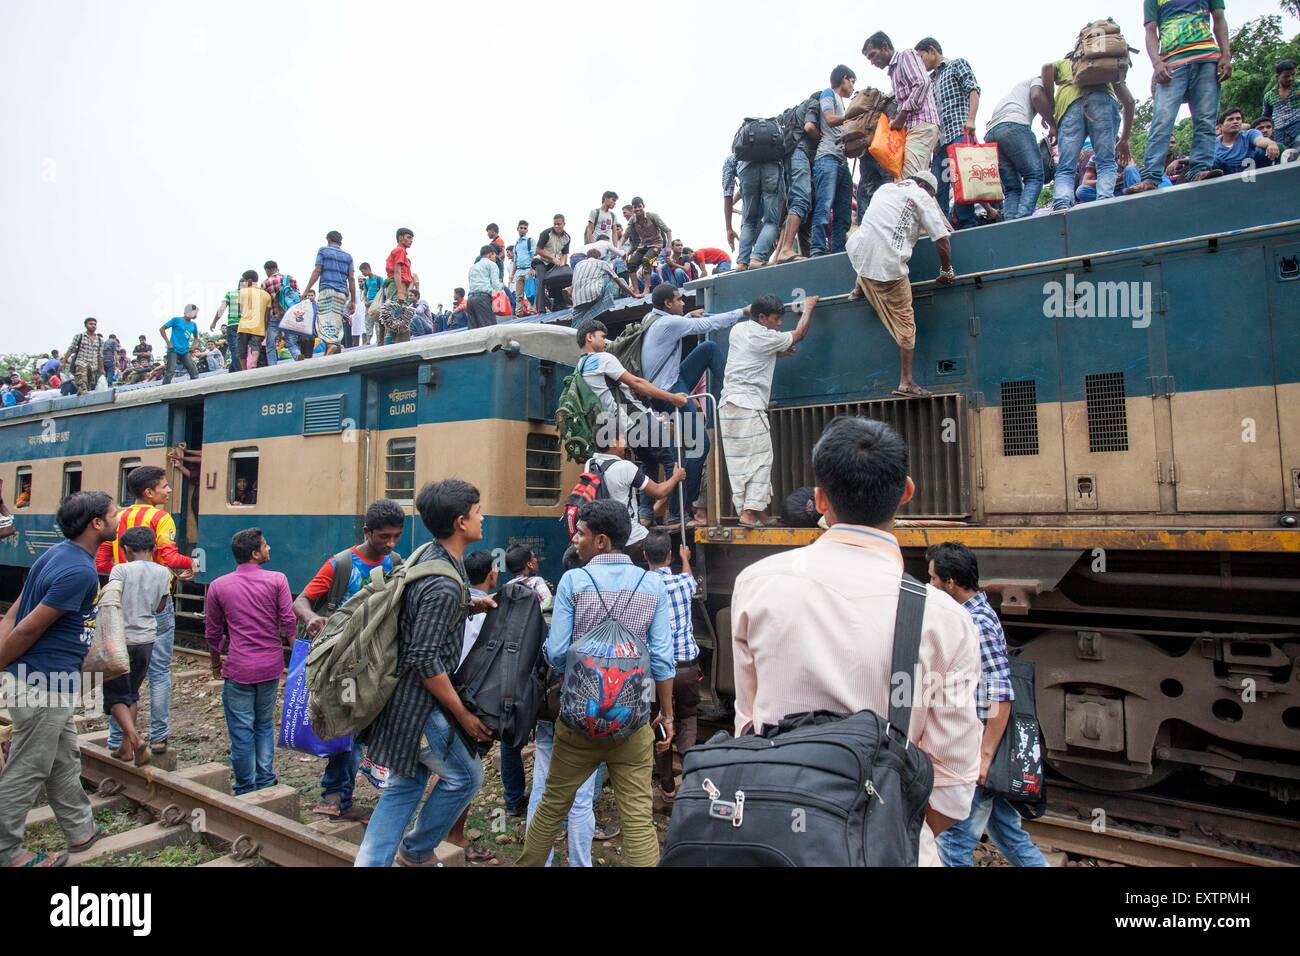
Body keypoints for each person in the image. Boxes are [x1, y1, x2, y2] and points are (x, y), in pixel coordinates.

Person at [731, 417, 983, 865]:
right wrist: (882, 831)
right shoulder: (946, 619)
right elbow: (953, 786)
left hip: (771, 846)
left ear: (821, 500)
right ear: (907, 490)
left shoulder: (755, 584)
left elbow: (749, 724)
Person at [516, 499, 676, 867]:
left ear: (601, 541)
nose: (576, 539)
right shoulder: (652, 584)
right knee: (637, 819)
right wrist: (666, 715)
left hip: (577, 725)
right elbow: (664, 660)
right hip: (632, 725)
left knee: (552, 806)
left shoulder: (574, 580)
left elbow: (556, 653)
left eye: (582, 533)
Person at [354, 480, 495, 868]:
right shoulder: (444, 584)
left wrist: (473, 603)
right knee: (467, 778)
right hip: (419, 705)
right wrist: (464, 716)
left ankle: (372, 862)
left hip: (400, 699)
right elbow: (425, 658)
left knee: (406, 784)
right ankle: (415, 851)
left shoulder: (428, 556)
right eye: (478, 510)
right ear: (460, 521)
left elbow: (424, 612)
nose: (483, 517)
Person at [0, 491, 120, 868]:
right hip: (42, 684)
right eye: (114, 514)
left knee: (64, 759)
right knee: (28, 767)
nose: (120, 519)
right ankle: (7, 851)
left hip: (53, 683)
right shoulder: (78, 571)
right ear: (96, 524)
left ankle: (80, 830)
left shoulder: (55, 555)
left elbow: (12, 615)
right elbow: (26, 629)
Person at [927, 543, 1048, 868]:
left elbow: (1000, 694)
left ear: (951, 582)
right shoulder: (976, 614)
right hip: (982, 750)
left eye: (934, 579)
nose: (931, 585)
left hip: (978, 749)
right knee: (1009, 835)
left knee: (953, 845)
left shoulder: (975, 623)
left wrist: (983, 759)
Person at [293, 500, 406, 819]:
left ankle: (346, 794)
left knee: (372, 727)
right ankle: (336, 794)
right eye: (384, 536)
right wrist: (312, 618)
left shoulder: (395, 561)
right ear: (367, 532)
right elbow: (300, 601)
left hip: (380, 662)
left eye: (396, 536)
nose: (391, 543)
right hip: (345, 665)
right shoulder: (340, 564)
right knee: (348, 728)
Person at [96, 466, 196, 759]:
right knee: (159, 673)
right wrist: (192, 563)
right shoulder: (161, 518)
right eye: (164, 486)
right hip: (157, 607)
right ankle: (159, 737)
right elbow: (168, 556)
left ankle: (120, 739)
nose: (169, 490)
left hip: (123, 608)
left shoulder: (119, 518)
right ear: (149, 492)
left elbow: (102, 560)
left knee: (120, 671)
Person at [638, 283, 749, 527]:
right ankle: (680, 510)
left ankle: (730, 394)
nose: (683, 303)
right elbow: (709, 324)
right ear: (668, 303)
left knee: (708, 348)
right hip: (669, 391)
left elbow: (679, 326)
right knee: (700, 446)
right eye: (679, 300)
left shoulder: (653, 318)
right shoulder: (670, 324)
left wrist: (687, 316)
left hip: (672, 380)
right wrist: (744, 311)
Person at [846, 172, 955, 399]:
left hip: (857, 253)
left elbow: (883, 225)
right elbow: (942, 239)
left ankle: (859, 288)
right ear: (926, 188)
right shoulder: (921, 196)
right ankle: (906, 382)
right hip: (887, 268)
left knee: (871, 251)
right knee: (906, 323)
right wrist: (946, 270)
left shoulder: (885, 189)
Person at [205, 529, 295, 796]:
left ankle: (245, 785)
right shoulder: (278, 580)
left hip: (239, 668)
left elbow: (212, 633)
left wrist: (215, 663)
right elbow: (289, 622)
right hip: (270, 666)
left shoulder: (219, 586)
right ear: (255, 554)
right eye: (266, 546)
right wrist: (298, 660)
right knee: (264, 724)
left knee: (242, 730)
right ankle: (266, 779)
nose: (269, 549)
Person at [719, 294, 819, 527]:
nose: (780, 323)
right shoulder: (765, 336)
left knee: (741, 464)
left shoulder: (739, 330)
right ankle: (749, 513)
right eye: (776, 319)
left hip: (728, 405)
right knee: (761, 461)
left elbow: (751, 355)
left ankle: (757, 512)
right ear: (762, 317)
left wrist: (777, 352)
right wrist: (808, 308)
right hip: (748, 406)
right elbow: (799, 334)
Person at [1128, 0, 1232, 195]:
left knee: (1205, 119)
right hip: (1171, 63)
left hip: (1206, 58)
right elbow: (1150, 31)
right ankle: (1151, 177)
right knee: (1162, 120)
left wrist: (1226, 55)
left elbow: (1219, 19)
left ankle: (1200, 169)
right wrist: (1156, 63)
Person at [641, 532, 702, 809]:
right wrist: (685, 559)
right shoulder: (682, 583)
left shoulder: (640, 587)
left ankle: (666, 787)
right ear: (669, 556)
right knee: (687, 717)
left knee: (658, 722)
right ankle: (690, 777)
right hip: (687, 668)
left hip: (653, 671)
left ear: (644, 556)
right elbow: (690, 578)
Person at [104, 527, 173, 767]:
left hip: (120, 639)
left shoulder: (120, 569)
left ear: (126, 550)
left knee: (114, 695)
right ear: (153, 549)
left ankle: (135, 740)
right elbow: (161, 606)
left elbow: (110, 601)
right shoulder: (163, 572)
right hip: (146, 640)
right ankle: (125, 748)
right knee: (131, 692)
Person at [1042, 54, 1136, 210]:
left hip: (1070, 106)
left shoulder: (1066, 62)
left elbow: (1046, 67)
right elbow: (1130, 102)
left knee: (1066, 167)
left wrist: (1051, 104)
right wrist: (1124, 138)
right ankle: (1104, 201)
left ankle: (1061, 205)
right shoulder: (1105, 65)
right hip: (1103, 102)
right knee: (1105, 161)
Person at [573, 316, 689, 441]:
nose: (605, 342)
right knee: (669, 457)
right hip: (633, 421)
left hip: (610, 429)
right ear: (590, 337)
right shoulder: (603, 358)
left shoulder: (579, 367)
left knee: (653, 459)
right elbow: (637, 383)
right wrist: (672, 397)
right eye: (603, 337)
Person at [916, 38, 982, 230]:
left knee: (963, 183)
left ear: (931, 51)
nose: (921, 64)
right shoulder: (930, 81)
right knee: (937, 188)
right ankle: (942, 228)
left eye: (921, 58)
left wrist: (971, 119)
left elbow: (973, 90)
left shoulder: (956, 65)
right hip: (939, 143)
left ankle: (967, 225)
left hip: (958, 133)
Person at [863, 32, 942, 177]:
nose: (872, 62)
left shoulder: (906, 56)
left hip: (922, 124)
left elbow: (922, 83)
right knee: (907, 180)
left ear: (885, 47)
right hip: (913, 128)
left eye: (873, 55)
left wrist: (902, 115)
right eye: (869, 59)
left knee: (909, 179)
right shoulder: (893, 73)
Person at [985, 75, 1054, 221]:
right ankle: (1022, 220)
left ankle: (1010, 224)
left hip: (991, 133)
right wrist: (1051, 122)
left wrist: (1042, 114)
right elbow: (1036, 96)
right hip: (1014, 125)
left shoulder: (1014, 95)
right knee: (1034, 175)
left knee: (1012, 188)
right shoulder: (1039, 78)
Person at [810, 66, 857, 258]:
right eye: (853, 81)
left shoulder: (843, 104)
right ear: (844, 79)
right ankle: (817, 248)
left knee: (844, 209)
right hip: (827, 157)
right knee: (824, 204)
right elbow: (829, 119)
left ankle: (839, 248)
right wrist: (853, 115)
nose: (853, 87)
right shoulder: (828, 94)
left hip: (841, 161)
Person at [772, 91, 822, 265]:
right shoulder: (813, 104)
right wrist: (825, 139)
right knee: (801, 200)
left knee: (793, 204)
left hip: (785, 160)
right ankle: (786, 250)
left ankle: (779, 253)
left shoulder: (790, 112)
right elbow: (809, 127)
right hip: (800, 154)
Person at [722, 144, 785, 269]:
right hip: (772, 171)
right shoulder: (770, 150)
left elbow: (727, 193)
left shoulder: (732, 159)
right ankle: (757, 258)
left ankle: (742, 262)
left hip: (746, 175)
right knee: (771, 222)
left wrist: (728, 227)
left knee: (749, 222)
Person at [303, 230, 356, 355]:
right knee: (336, 321)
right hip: (342, 293)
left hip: (327, 290)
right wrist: (353, 300)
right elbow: (352, 278)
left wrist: (306, 290)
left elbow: (317, 271)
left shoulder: (323, 251)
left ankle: (331, 345)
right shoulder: (348, 256)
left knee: (324, 320)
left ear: (328, 240)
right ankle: (334, 348)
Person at [570, 244, 640, 323]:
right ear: (599, 257)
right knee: (612, 277)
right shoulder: (602, 263)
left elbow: (573, 286)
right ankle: (605, 303)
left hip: (577, 300)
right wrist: (633, 295)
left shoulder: (578, 265)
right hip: (594, 295)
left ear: (587, 257)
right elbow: (619, 283)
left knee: (576, 324)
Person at [1213, 107, 1282, 175]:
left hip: (1252, 171)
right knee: (1213, 160)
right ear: (1220, 126)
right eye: (1230, 119)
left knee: (1265, 149)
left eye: (1238, 119)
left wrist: (1271, 144)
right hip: (1225, 176)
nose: (1235, 121)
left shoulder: (1249, 134)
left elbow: (1260, 140)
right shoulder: (1212, 144)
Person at [262, 261, 303, 366]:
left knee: (270, 344)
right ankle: (297, 354)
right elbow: (298, 297)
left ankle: (272, 365)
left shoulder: (265, 283)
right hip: (290, 314)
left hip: (275, 315)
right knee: (291, 341)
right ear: (277, 268)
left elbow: (266, 304)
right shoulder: (290, 278)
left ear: (267, 270)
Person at [623, 198, 672, 275]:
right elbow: (634, 245)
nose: (624, 215)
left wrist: (668, 247)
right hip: (643, 250)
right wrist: (627, 254)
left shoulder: (652, 217)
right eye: (635, 207)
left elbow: (665, 234)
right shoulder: (632, 225)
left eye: (625, 213)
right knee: (633, 265)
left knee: (653, 267)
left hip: (657, 248)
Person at [534, 215, 571, 314]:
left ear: (564, 224)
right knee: (541, 281)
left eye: (559, 224)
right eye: (555, 224)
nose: (557, 226)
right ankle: (541, 310)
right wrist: (553, 258)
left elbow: (564, 254)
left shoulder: (567, 237)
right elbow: (538, 250)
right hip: (541, 261)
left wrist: (562, 265)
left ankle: (558, 305)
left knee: (558, 278)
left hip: (554, 262)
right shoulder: (546, 233)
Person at [236, 269, 273, 370]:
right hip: (258, 325)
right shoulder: (266, 295)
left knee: (241, 348)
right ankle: (254, 363)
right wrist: (265, 327)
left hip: (244, 325)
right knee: (256, 345)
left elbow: (238, 310)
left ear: (249, 280)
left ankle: (244, 369)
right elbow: (267, 314)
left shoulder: (242, 292)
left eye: (244, 280)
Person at [62, 317, 105, 395]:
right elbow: (71, 349)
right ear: (86, 325)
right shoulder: (80, 336)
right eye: (91, 324)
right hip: (81, 363)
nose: (93, 326)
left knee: (89, 385)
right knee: (82, 383)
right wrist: (64, 361)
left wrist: (102, 369)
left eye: (95, 324)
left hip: (93, 365)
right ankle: (82, 393)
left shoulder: (100, 339)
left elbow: (100, 355)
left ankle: (82, 396)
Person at [160, 305, 201, 385]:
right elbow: (162, 329)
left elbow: (196, 337)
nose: (195, 314)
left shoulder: (193, 324)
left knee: (193, 370)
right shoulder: (176, 320)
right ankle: (164, 389)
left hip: (185, 351)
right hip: (173, 349)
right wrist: (168, 342)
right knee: (170, 370)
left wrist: (193, 346)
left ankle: (196, 387)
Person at [465, 244, 504, 329]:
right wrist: (502, 287)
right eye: (494, 256)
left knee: (473, 332)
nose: (495, 259)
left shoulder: (473, 267)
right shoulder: (492, 265)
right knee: (488, 330)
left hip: (470, 300)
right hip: (483, 299)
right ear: (490, 254)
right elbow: (496, 285)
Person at [212, 277, 246, 372]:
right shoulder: (250, 295)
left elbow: (221, 309)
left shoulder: (230, 294)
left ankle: (240, 372)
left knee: (235, 350)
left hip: (233, 325)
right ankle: (233, 371)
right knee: (245, 349)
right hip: (246, 325)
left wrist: (214, 322)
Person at [1264, 59, 1298, 151]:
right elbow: (1266, 117)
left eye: (1293, 75)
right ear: (1277, 77)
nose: (1290, 78)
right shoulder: (1269, 95)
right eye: (1286, 76)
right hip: (1280, 134)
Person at [512, 221, 537, 317]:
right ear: (517, 228)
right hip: (519, 271)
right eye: (521, 227)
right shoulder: (516, 245)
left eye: (524, 228)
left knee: (530, 293)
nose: (522, 229)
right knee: (518, 295)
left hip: (528, 270)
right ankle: (519, 313)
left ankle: (531, 312)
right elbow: (515, 260)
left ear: (527, 230)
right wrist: (511, 275)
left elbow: (533, 255)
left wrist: (532, 268)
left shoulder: (530, 241)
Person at [358, 262, 384, 345]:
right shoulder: (366, 282)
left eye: (363, 271)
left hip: (377, 303)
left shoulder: (378, 279)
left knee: (377, 321)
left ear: (368, 269)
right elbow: (365, 292)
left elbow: (382, 291)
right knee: (368, 321)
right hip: (369, 303)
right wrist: (365, 301)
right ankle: (368, 340)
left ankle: (379, 339)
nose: (363, 273)